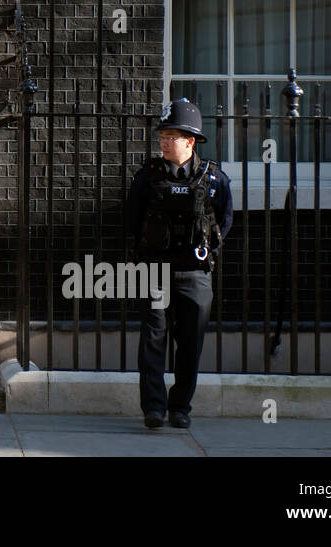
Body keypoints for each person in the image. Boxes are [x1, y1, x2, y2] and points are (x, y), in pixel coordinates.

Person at [124, 98, 233, 429]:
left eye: (171, 135)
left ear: (190, 140)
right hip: (154, 270)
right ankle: (153, 408)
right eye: (162, 135)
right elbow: (132, 218)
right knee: (153, 339)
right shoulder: (148, 177)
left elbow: (224, 221)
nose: (163, 141)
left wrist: (207, 251)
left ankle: (180, 407)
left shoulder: (214, 179)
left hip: (194, 273)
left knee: (190, 344)